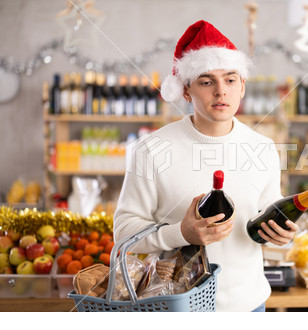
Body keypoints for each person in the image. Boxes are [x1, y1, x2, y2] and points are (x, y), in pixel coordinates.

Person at [114, 20, 298, 312]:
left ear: (243, 87)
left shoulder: (263, 149)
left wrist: (281, 235)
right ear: (186, 92)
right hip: (175, 307)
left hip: (248, 307)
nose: (220, 92)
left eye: (230, 79)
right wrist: (181, 233)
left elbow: (263, 224)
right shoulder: (151, 149)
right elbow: (124, 233)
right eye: (206, 81)